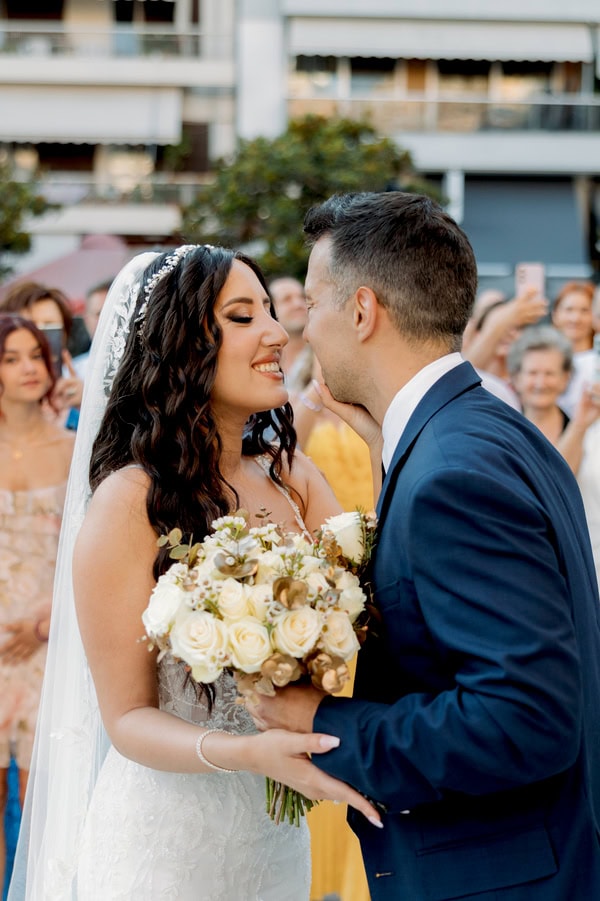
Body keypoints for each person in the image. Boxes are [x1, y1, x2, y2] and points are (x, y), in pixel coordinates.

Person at [252, 192, 600, 900]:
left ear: (361, 310)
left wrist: (323, 721)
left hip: (500, 876)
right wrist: (387, 449)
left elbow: (525, 717)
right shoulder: (490, 431)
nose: (301, 331)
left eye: (312, 305)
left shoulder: (454, 471)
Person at [8, 245, 380, 900]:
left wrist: (376, 438)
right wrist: (247, 753)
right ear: (180, 342)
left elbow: (377, 597)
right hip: (163, 847)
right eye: (242, 316)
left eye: (270, 309)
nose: (274, 331)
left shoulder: (290, 477)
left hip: (272, 837)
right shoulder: (129, 499)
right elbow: (126, 719)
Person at [0, 315, 75, 893]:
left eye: (34, 356)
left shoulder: (74, 449)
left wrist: (49, 622)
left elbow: (85, 551)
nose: (28, 367)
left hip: (50, 644)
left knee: (45, 802)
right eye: (11, 357)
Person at [0, 282, 84, 423]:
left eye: (50, 326)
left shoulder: (84, 402)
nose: (40, 338)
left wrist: (88, 407)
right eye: (30, 326)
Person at [551, 280, 596, 416]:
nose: (576, 318)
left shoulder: (596, 361)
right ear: (555, 315)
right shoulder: (542, 358)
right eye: (569, 310)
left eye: (584, 310)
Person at [269, 276, 313, 393]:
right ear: (270, 310)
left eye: (302, 297)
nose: (298, 304)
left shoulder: (323, 355)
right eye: (287, 299)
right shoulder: (264, 359)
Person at [71, 279, 112, 380]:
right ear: (86, 320)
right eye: (99, 314)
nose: (106, 320)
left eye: (111, 312)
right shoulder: (71, 371)